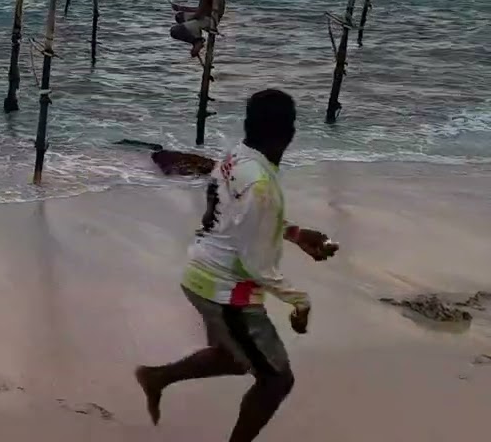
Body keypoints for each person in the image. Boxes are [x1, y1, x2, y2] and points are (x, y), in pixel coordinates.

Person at [135, 89, 339, 442]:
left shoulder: (235, 157)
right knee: (276, 379)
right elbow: (256, 265)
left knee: (232, 357)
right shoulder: (262, 184)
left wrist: (295, 233)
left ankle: (156, 378)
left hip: (199, 272)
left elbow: (237, 217)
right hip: (226, 293)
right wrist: (301, 302)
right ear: (289, 133)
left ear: (248, 125)